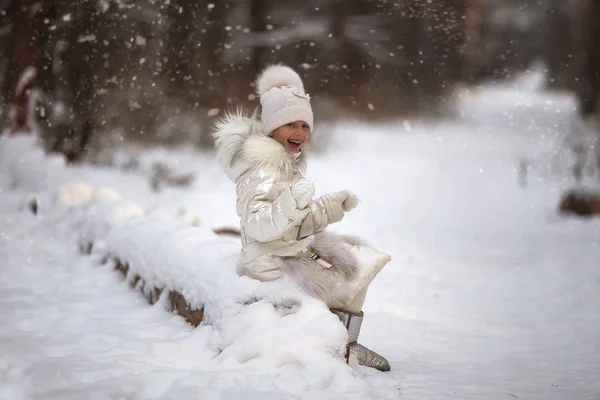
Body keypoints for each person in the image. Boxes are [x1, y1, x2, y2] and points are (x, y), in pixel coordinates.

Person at [213, 64, 391, 371]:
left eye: (304, 125)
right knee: (357, 266)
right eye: (290, 125)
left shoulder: (282, 163)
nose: (299, 133)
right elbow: (260, 225)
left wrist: (331, 206)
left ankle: (344, 339)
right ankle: (339, 343)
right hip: (268, 260)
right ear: (271, 128)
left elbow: (294, 222)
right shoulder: (262, 169)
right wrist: (293, 201)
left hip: (279, 249)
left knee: (354, 254)